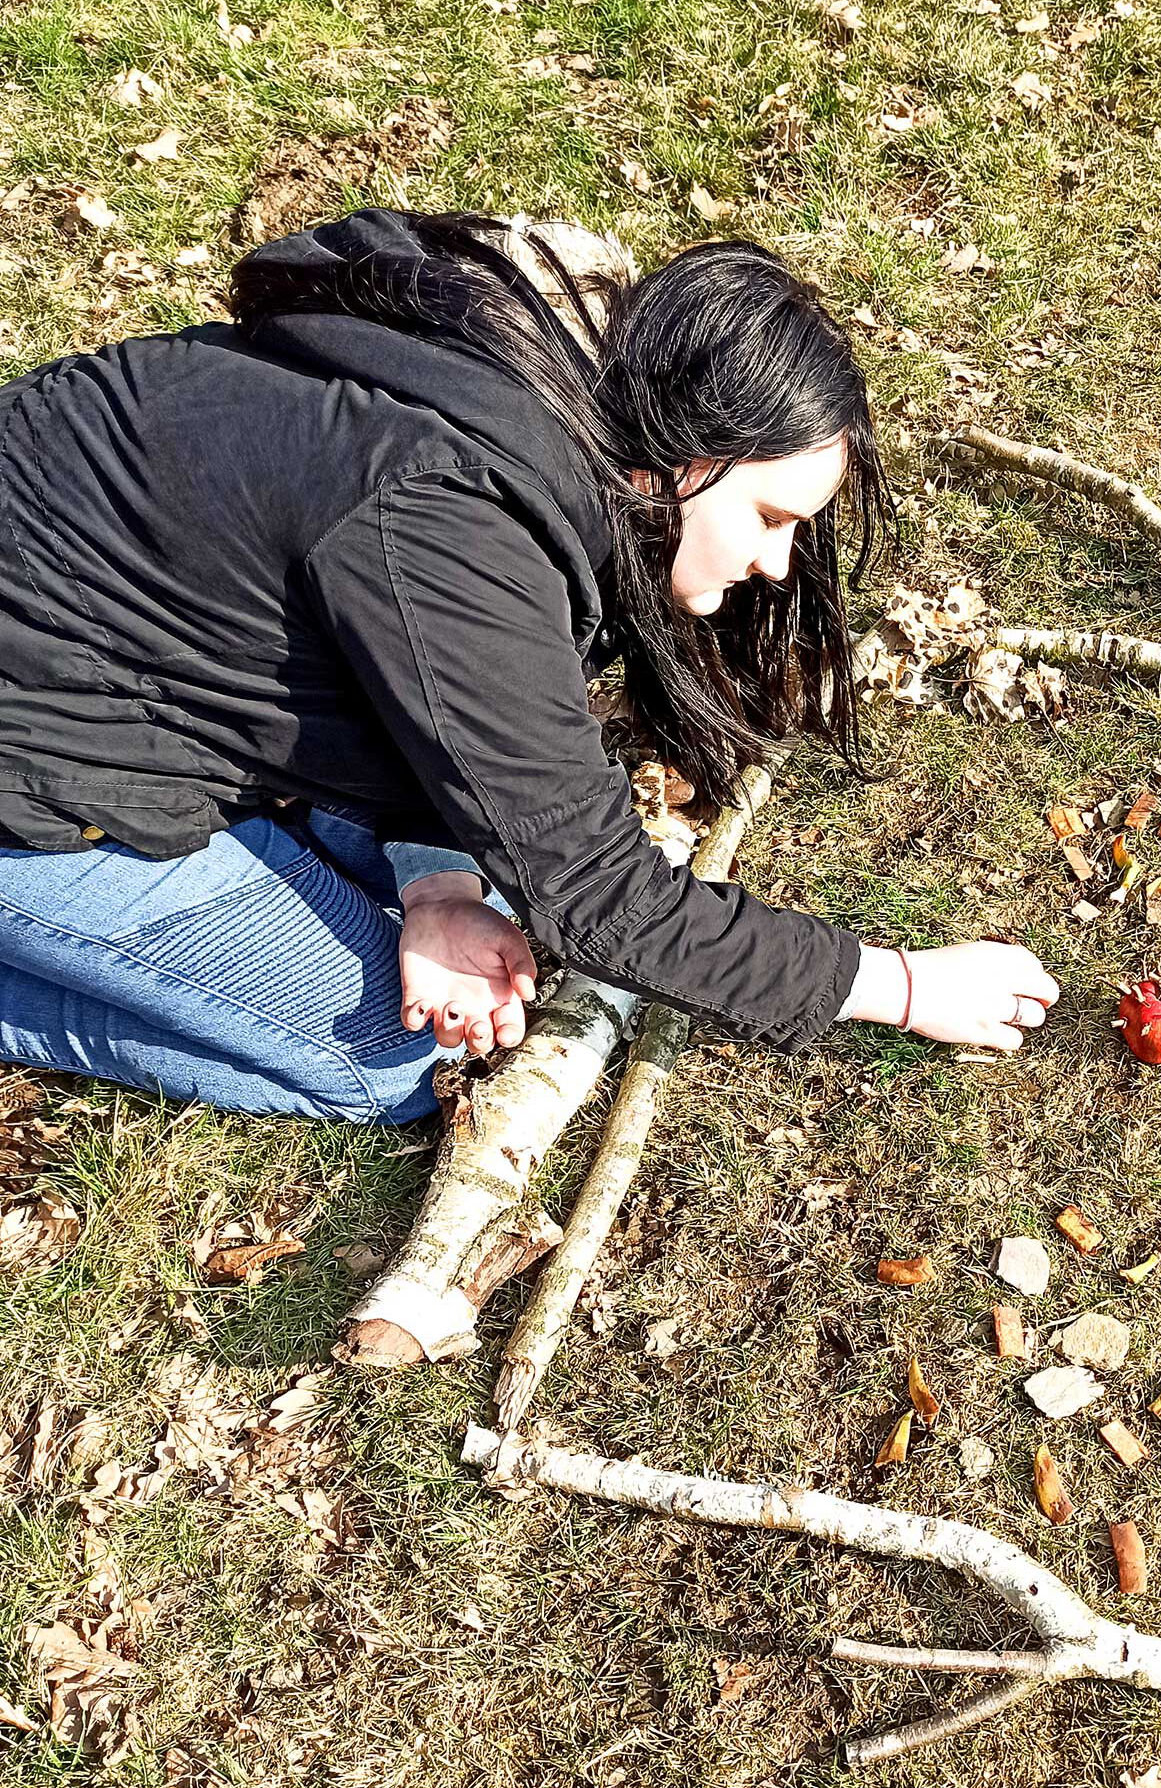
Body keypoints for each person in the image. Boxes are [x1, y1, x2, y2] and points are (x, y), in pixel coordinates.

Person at [0, 207, 1059, 1123]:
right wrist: (905, 987)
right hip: (30, 768)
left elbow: (409, 663)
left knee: (369, 869)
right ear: (685, 460)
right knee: (387, 1056)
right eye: (772, 517)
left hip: (78, 642)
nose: (777, 564)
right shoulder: (453, 521)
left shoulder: (502, 394)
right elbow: (600, 895)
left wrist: (439, 884)